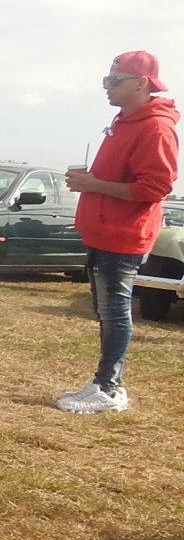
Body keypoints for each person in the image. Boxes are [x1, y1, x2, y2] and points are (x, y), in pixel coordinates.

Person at [56, 51, 180, 415]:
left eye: (115, 80)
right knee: (106, 309)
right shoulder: (126, 120)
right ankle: (105, 383)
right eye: (106, 80)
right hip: (104, 231)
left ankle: (109, 388)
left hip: (123, 234)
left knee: (114, 311)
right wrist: (91, 185)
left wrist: (95, 184)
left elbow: (156, 188)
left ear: (141, 83)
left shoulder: (155, 127)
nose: (107, 87)